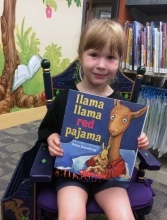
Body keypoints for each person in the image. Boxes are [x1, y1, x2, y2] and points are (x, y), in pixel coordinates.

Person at [38, 19, 149, 220]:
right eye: (94, 55)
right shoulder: (64, 98)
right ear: (80, 56)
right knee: (71, 215)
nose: (101, 65)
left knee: (124, 216)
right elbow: (46, 129)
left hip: (109, 177)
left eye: (110, 57)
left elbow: (127, 136)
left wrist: (139, 139)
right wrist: (51, 137)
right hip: (72, 174)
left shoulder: (120, 104)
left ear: (119, 62)